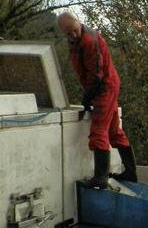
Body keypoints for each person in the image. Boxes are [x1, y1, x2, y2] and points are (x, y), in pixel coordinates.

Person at [57, 12, 137, 187]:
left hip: (104, 87)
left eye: (74, 31)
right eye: (68, 33)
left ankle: (100, 177)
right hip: (104, 85)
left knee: (99, 130)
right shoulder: (76, 41)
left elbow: (96, 74)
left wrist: (88, 96)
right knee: (114, 130)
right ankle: (130, 172)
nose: (72, 35)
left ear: (79, 22)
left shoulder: (89, 41)